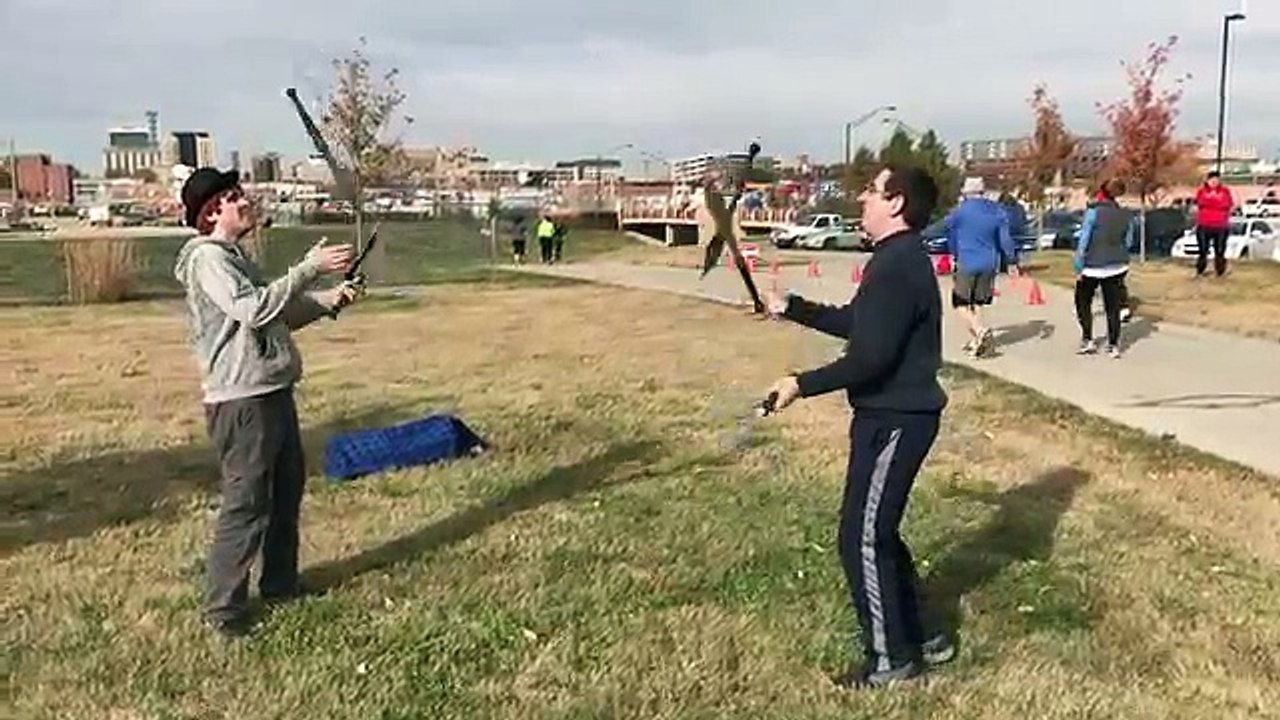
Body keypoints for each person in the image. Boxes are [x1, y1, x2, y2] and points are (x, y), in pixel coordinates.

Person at [763, 164, 952, 689]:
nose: (862, 198)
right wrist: (795, 308)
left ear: (895, 203)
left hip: (897, 419)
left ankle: (892, 661)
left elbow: (869, 357)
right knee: (878, 532)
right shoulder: (895, 260)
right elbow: (862, 323)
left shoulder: (898, 264)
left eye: (871, 191)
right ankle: (926, 636)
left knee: (861, 538)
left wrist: (801, 383)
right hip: (890, 416)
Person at [172, 167, 361, 637]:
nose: (246, 201)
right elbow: (255, 308)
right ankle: (224, 611)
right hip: (241, 403)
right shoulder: (207, 259)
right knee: (247, 503)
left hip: (272, 392)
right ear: (213, 210)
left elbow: (274, 316)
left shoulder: (233, 258)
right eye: (236, 197)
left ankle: (279, 584)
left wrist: (329, 299)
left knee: (285, 495)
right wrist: (308, 268)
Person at [943, 177, 1019, 358]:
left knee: (960, 302)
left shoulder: (960, 212)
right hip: (989, 262)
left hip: (967, 260)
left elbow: (950, 233)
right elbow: (1005, 239)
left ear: (967, 193)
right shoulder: (997, 212)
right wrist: (1011, 261)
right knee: (977, 302)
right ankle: (977, 341)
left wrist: (954, 253)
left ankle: (980, 331)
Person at [1073, 178, 1138, 358]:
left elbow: (1084, 241)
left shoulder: (1093, 213)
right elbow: (1129, 241)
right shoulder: (1126, 215)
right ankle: (1113, 345)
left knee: (1083, 302)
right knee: (1113, 307)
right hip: (1117, 264)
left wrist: (1078, 266)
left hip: (1093, 265)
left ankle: (1088, 339)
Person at [1193, 171, 1234, 277]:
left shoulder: (1225, 191)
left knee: (1220, 250)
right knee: (1203, 250)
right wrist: (1213, 200)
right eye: (1212, 180)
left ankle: (1220, 271)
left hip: (1221, 226)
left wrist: (1212, 201)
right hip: (1204, 225)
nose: (1214, 182)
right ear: (1207, 181)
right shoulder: (1202, 191)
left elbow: (1227, 204)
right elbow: (1200, 203)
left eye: (1216, 179)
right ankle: (1200, 270)